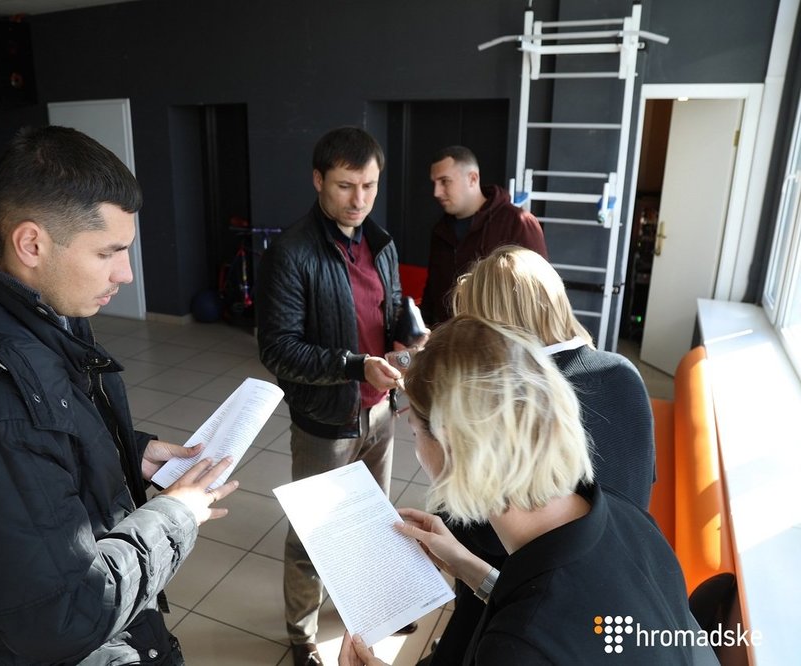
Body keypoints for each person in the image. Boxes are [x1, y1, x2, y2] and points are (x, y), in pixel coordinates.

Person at [0, 126, 238, 665]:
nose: (126, 274)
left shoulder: (29, 316)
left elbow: (46, 443)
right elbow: (65, 615)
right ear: (32, 244)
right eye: (108, 252)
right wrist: (176, 516)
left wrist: (126, 449)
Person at [338, 317, 716, 665]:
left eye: (416, 432)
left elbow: (545, 627)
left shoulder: (517, 647)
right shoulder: (625, 514)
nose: (417, 448)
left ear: (454, 448)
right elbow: (569, 616)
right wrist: (470, 568)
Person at [423, 244, 657, 665]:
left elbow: (486, 532)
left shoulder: (512, 403)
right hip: (620, 565)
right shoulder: (624, 371)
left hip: (521, 600)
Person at [255, 126, 407, 666]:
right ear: (318, 180)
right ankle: (302, 636)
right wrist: (355, 366)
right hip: (325, 419)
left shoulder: (380, 242)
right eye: (345, 185)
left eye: (369, 186)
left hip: (380, 411)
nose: (359, 199)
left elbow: (392, 308)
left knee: (373, 520)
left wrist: (410, 334)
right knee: (313, 537)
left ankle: (368, 605)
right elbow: (278, 350)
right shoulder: (290, 252)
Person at [420, 146, 547, 325]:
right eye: (434, 183)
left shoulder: (518, 222)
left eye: (445, 181)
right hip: (449, 337)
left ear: (473, 178)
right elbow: (432, 292)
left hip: (503, 340)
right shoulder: (440, 231)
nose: (436, 192)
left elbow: (538, 294)